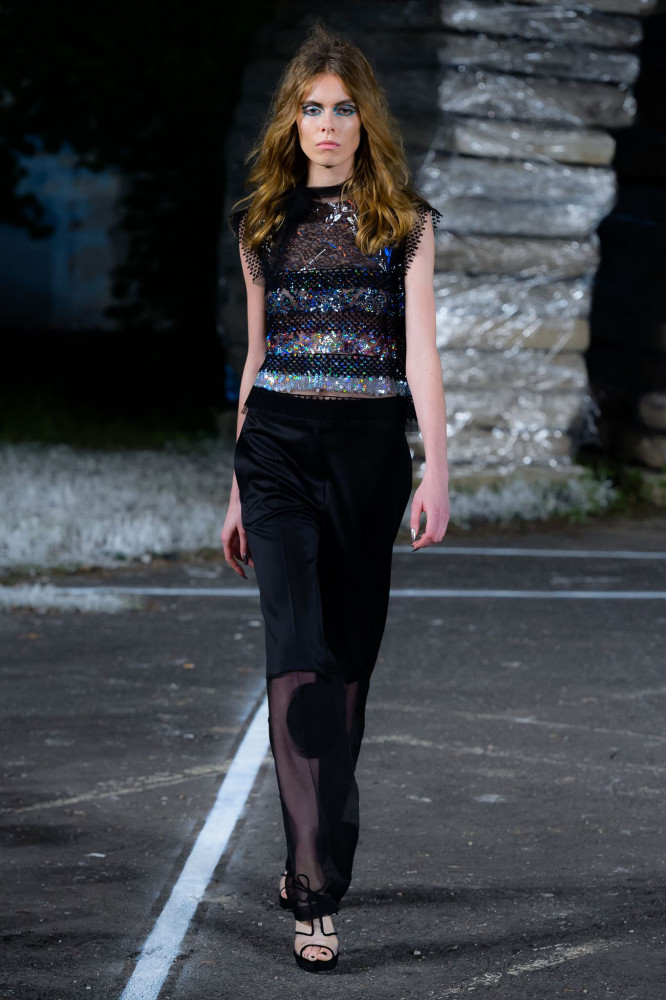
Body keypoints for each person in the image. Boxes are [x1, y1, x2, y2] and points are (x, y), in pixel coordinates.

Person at [221, 22, 450, 973]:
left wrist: (437, 468)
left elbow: (421, 354)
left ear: (365, 121)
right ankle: (314, 891)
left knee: (347, 667)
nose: (326, 124)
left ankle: (318, 851)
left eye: (342, 108)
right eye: (311, 108)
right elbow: (257, 357)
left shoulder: (407, 223)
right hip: (276, 448)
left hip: (368, 455)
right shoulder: (260, 223)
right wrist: (237, 487)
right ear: (293, 120)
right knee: (299, 659)